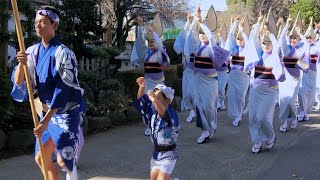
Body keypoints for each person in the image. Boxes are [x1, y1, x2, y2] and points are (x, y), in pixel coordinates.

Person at [11, 5, 83, 180]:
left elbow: (64, 89)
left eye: (43, 22)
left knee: (64, 162)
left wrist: (46, 120)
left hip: (64, 114)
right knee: (41, 158)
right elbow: (20, 81)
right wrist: (21, 63)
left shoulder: (64, 53)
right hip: (45, 113)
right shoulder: (31, 51)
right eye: (36, 22)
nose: (38, 25)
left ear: (54, 25)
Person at [184, 6, 229, 144]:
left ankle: (211, 127)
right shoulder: (197, 46)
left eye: (204, 33)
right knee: (197, 104)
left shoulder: (212, 46)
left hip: (210, 81)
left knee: (209, 107)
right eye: (200, 33)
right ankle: (205, 129)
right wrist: (194, 22)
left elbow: (211, 37)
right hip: (198, 79)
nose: (202, 35)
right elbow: (188, 37)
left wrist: (202, 22)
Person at [246, 11, 285, 153]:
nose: (266, 45)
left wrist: (271, 34)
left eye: (268, 43)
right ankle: (257, 142)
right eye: (264, 42)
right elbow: (251, 38)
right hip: (255, 91)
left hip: (269, 92)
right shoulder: (256, 53)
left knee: (260, 117)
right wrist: (258, 23)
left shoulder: (275, 55)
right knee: (252, 119)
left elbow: (277, 45)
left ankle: (271, 137)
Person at [131, 14, 170, 136]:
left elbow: (162, 49)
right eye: (149, 41)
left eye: (152, 41)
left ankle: (158, 124)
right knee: (145, 103)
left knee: (156, 104)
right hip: (148, 81)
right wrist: (140, 26)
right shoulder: (146, 52)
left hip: (158, 83)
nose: (150, 43)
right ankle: (149, 124)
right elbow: (139, 41)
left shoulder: (160, 51)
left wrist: (154, 34)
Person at [134, 77, 179, 180]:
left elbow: (163, 113)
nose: (154, 101)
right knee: (154, 178)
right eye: (154, 97)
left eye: (158, 98)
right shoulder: (153, 109)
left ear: (167, 101)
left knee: (161, 179)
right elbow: (142, 99)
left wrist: (154, 99)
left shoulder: (171, 114)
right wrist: (142, 87)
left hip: (169, 153)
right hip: (157, 153)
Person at [278, 14, 310, 133]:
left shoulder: (301, 50)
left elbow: (307, 45)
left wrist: (301, 33)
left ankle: (294, 118)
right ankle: (283, 122)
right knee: (283, 101)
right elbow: (281, 39)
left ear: (298, 40)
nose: (292, 40)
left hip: (295, 80)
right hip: (284, 80)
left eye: (295, 39)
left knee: (291, 101)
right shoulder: (286, 49)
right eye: (291, 39)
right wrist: (287, 25)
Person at [224, 15, 251, 127]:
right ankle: (236, 114)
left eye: (241, 39)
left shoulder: (248, 49)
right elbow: (230, 36)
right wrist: (234, 24)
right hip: (233, 75)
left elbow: (249, 42)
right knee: (232, 95)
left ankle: (239, 113)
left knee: (241, 96)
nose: (239, 40)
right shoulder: (233, 48)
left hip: (243, 76)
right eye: (238, 38)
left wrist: (242, 31)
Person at [174, 13, 196, 123]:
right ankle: (191, 110)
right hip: (188, 69)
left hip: (198, 71)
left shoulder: (199, 40)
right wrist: (188, 21)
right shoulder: (187, 37)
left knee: (195, 92)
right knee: (187, 92)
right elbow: (185, 33)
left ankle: (197, 111)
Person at [297, 19, 320, 121]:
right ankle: (301, 112)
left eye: (311, 38)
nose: (309, 39)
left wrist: (316, 30)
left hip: (313, 73)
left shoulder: (317, 47)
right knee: (302, 93)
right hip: (303, 73)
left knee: (310, 94)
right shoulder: (302, 46)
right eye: (307, 37)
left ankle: (306, 112)